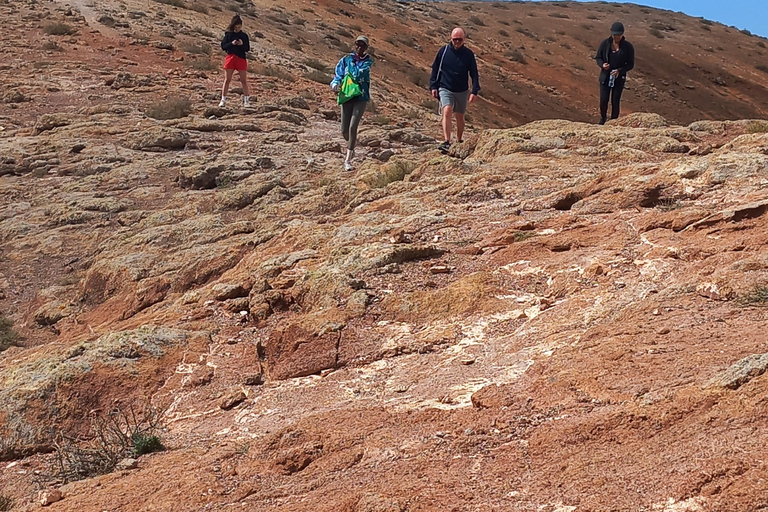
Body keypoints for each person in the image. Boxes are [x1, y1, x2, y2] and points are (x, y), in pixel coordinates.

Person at [429, 27, 480, 153]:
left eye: (460, 39)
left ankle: (459, 139)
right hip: (445, 87)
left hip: (462, 90)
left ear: (464, 39)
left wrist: (474, 91)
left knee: (460, 116)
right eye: (455, 39)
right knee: (447, 110)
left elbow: (474, 73)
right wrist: (433, 86)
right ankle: (447, 141)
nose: (457, 42)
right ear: (450, 38)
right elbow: (435, 69)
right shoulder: (444, 51)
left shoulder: (468, 54)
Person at [330, 35, 373, 171]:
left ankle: (347, 160)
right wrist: (335, 83)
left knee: (353, 127)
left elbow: (360, 74)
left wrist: (350, 71)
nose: (359, 47)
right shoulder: (346, 59)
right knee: (344, 130)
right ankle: (352, 146)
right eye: (357, 44)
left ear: (366, 47)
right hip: (347, 96)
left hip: (361, 96)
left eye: (362, 45)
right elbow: (339, 73)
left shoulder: (367, 61)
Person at [595, 22, 634, 125]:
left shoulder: (628, 47)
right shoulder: (605, 44)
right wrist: (602, 65)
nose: (616, 37)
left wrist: (620, 71)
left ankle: (613, 121)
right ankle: (603, 118)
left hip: (618, 78)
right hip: (605, 76)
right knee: (603, 100)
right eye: (614, 35)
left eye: (618, 35)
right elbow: (598, 57)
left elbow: (630, 64)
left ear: (622, 34)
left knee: (615, 101)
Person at [219, 15, 251, 108]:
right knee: (227, 79)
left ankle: (246, 100)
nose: (237, 29)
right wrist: (231, 43)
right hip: (230, 57)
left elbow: (247, 48)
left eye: (239, 27)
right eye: (236, 27)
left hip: (241, 58)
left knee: (243, 80)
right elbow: (223, 46)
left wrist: (241, 44)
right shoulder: (228, 35)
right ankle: (223, 100)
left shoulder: (244, 36)